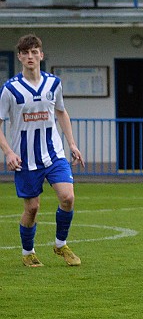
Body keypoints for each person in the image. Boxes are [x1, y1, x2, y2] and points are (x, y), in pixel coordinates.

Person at [0, 34, 84, 268]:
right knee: (32, 208)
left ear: (41, 55)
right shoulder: (10, 89)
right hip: (25, 158)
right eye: (25, 53)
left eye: (34, 52)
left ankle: (60, 245)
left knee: (68, 197)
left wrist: (72, 144)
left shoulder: (53, 84)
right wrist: (8, 152)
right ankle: (28, 252)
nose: (30, 56)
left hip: (54, 154)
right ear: (19, 57)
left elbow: (61, 112)